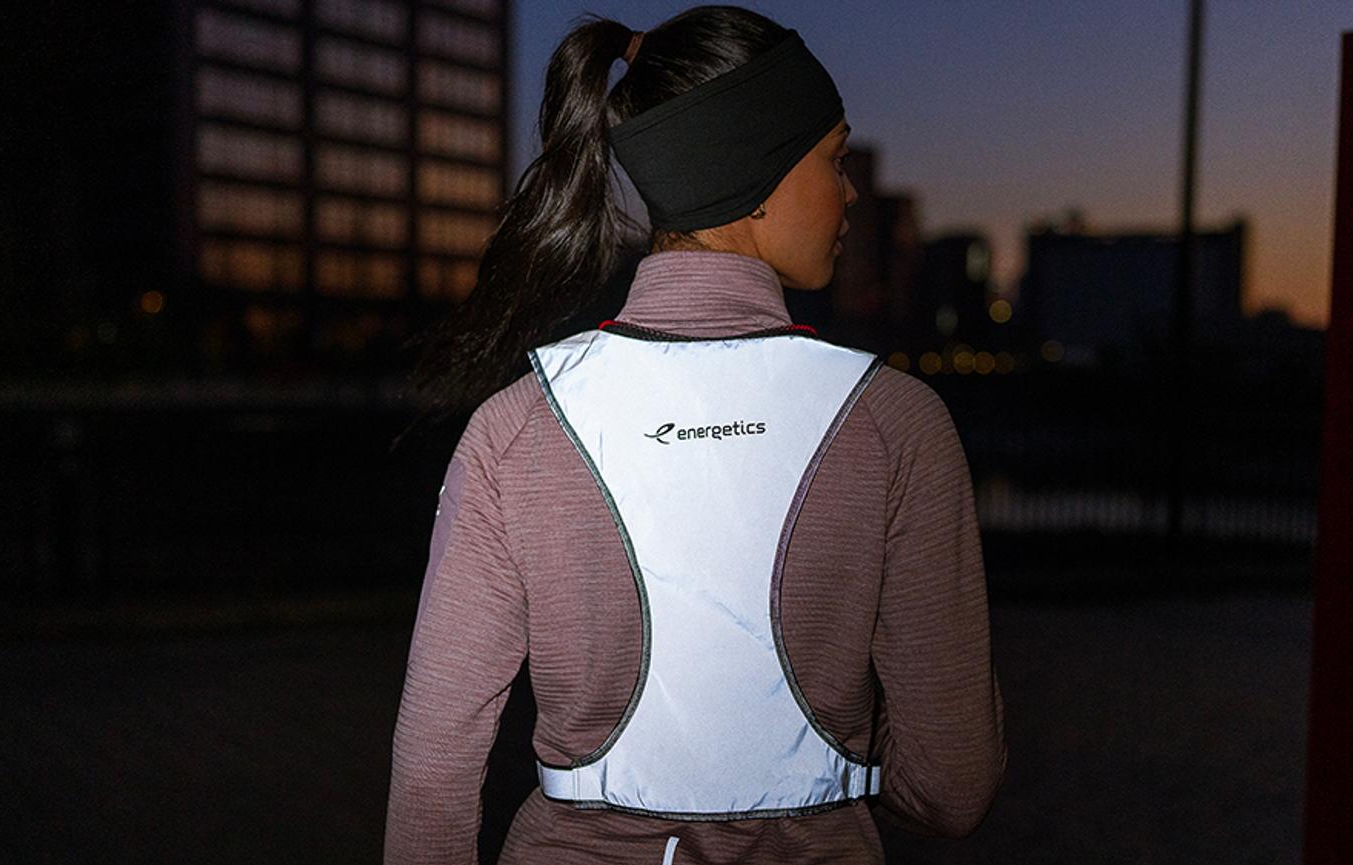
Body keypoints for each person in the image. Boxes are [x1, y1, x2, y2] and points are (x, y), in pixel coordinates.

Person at [384, 6, 1006, 864]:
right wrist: (837, 770)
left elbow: (434, 765)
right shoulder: (896, 423)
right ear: (757, 172)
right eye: (833, 159)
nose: (850, 191)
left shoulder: (516, 425)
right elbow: (952, 785)